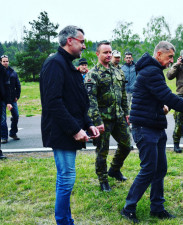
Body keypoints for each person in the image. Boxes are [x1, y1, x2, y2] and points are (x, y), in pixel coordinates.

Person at [120, 41, 183, 223]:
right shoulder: (151, 71)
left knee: (160, 168)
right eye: (169, 56)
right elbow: (169, 97)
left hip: (154, 125)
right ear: (159, 54)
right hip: (144, 127)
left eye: (173, 56)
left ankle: (157, 207)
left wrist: (159, 106)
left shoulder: (153, 70)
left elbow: (156, 96)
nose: (172, 60)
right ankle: (128, 207)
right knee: (148, 169)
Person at [40, 25, 100, 225]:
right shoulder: (55, 64)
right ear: (70, 41)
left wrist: (89, 124)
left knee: (64, 179)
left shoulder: (67, 65)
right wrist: (75, 130)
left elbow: (76, 101)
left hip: (69, 129)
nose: (84, 46)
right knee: (66, 180)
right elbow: (53, 103)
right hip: (62, 132)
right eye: (82, 42)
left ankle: (66, 220)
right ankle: (64, 222)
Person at [84, 41, 131, 192]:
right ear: (98, 54)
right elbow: (90, 101)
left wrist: (127, 113)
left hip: (118, 117)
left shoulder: (118, 71)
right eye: (105, 52)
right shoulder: (92, 74)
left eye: (110, 52)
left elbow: (123, 94)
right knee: (102, 151)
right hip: (103, 119)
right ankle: (103, 180)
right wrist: (97, 122)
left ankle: (114, 170)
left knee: (126, 145)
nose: (109, 55)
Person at [1, 55, 21, 143]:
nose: (5, 63)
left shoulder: (13, 72)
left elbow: (18, 85)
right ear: (1, 62)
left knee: (16, 115)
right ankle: (4, 137)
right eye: (4, 61)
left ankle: (13, 132)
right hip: (2, 98)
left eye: (7, 61)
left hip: (12, 98)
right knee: (2, 119)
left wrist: (17, 95)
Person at [0, 61, 12, 159]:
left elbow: (7, 86)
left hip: (1, 100)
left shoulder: (2, 70)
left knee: (2, 121)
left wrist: (8, 101)